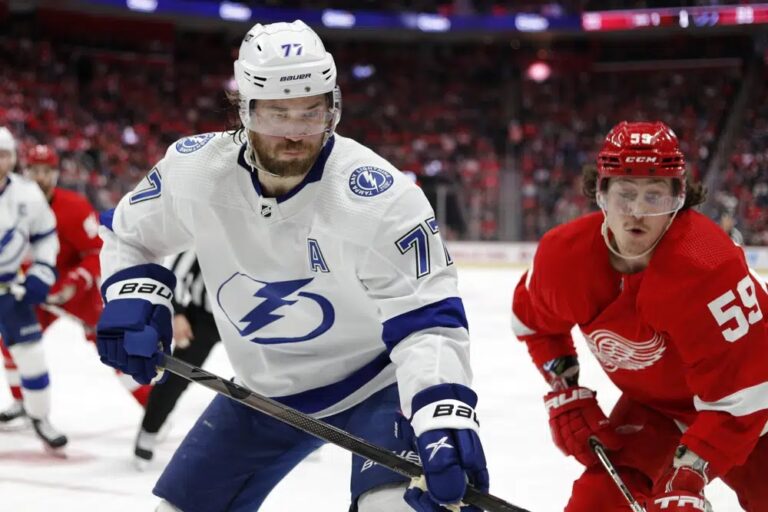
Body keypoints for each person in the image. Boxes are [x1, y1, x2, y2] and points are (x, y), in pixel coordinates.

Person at [96, 20, 489, 512]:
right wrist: (133, 295)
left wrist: (440, 412)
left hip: (376, 383)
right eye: (278, 115)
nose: (296, 134)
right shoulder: (194, 169)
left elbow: (428, 318)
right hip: (264, 392)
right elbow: (129, 233)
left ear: (333, 108)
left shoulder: (379, 197)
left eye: (311, 113)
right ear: (245, 110)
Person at [511, 121, 768, 511]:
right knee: (596, 503)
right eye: (625, 194)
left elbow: (746, 394)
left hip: (753, 412)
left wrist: (687, 475)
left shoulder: (707, 266)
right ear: (601, 194)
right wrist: (564, 389)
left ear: (680, 198)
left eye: (655, 197)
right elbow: (536, 324)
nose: (637, 213)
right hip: (657, 408)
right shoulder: (565, 257)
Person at [1, 145, 152, 427]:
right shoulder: (14, 204)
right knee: (11, 343)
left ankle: (153, 407)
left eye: (46, 171)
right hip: (36, 292)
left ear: (56, 174)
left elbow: (96, 252)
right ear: (25, 171)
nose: (40, 177)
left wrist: (73, 284)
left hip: (77, 293)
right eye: (34, 170)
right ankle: (23, 402)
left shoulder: (75, 206)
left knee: (112, 346)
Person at [0, 129, 67, 450]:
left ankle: (39, 416)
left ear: (13, 158)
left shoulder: (28, 194)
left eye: (4, 154)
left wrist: (42, 272)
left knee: (32, 355)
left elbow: (45, 237)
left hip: (8, 289)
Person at [134, 249, 221, 469]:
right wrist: (179, 312)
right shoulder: (213, 229)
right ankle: (149, 431)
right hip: (204, 318)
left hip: (252, 321)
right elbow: (177, 275)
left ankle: (289, 432)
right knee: (176, 376)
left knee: (270, 377)